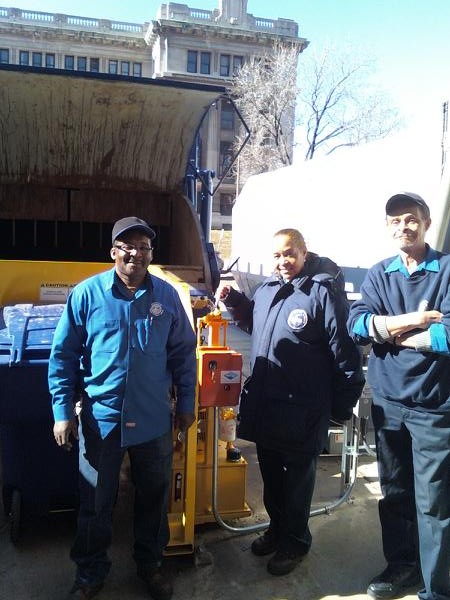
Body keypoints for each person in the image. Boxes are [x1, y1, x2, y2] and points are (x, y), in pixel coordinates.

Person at [48, 216, 197, 600]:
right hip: (101, 422)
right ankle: (90, 573)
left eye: (144, 247)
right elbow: (63, 356)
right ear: (113, 251)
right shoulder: (85, 295)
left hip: (153, 422)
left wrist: (186, 405)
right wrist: (62, 411)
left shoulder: (166, 297)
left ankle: (150, 566)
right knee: (95, 502)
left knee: (154, 498)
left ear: (151, 254)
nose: (136, 253)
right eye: (127, 246)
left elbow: (183, 356)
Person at [220, 228, 364, 576]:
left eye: (289, 254)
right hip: (269, 405)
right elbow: (262, 327)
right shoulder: (269, 289)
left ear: (304, 251)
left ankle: (296, 542)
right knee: (271, 476)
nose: (283, 262)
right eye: (277, 255)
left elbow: (346, 356)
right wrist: (238, 302)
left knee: (297, 482)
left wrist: (340, 407)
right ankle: (277, 529)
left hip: (304, 410)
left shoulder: (323, 293)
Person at [347, 192, 450, 600]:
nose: (403, 227)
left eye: (411, 219)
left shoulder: (445, 269)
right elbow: (357, 324)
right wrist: (411, 322)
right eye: (395, 221)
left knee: (434, 504)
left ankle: (437, 588)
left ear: (425, 224)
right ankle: (403, 566)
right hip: (388, 404)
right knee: (394, 493)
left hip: (433, 407)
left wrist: (392, 334)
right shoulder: (380, 273)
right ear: (387, 228)